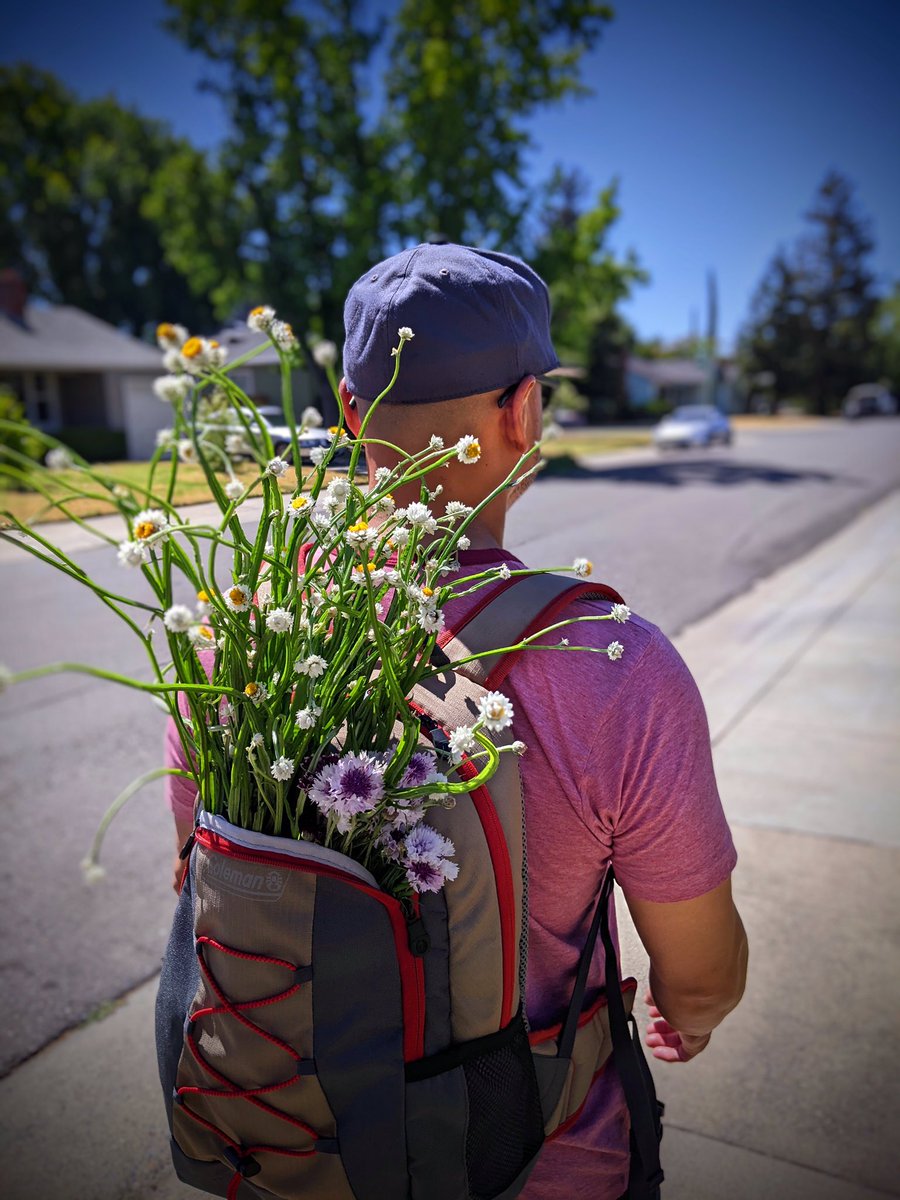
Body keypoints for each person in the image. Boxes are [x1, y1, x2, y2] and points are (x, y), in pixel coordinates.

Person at [165, 242, 748, 1200]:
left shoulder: (230, 645)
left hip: (287, 1158)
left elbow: (214, 905)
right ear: (525, 412)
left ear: (350, 415)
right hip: (534, 1167)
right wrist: (697, 1011)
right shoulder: (612, 665)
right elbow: (701, 977)